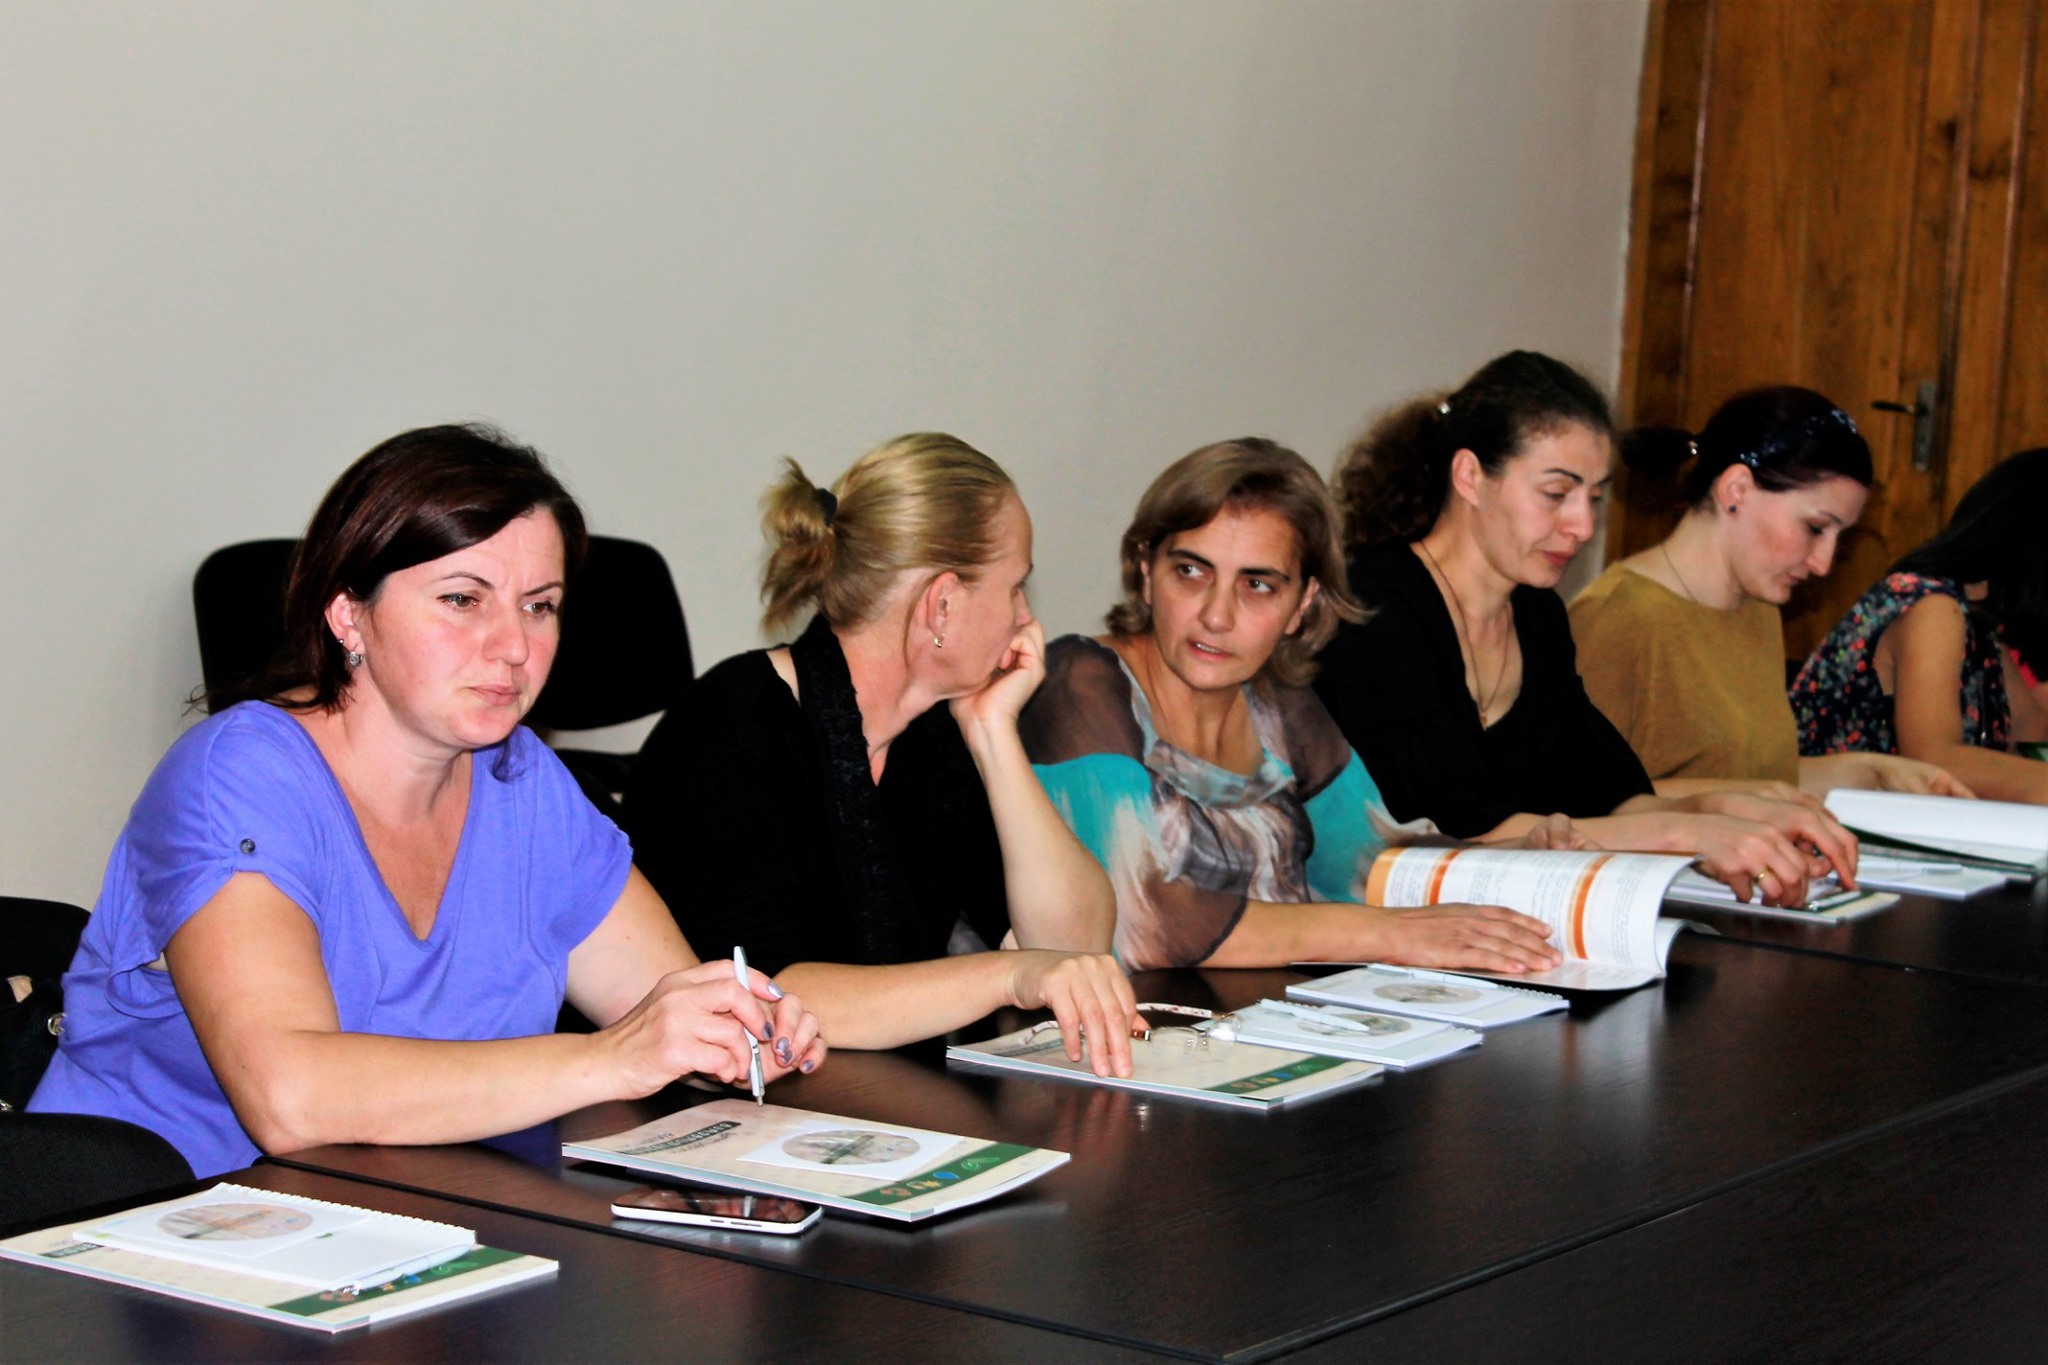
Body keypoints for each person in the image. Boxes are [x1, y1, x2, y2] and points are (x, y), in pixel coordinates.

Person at [30, 425, 824, 1180]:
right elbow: (291, 1097)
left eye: (540, 605)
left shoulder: (521, 780)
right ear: (348, 613)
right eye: (462, 599)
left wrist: (738, 1032)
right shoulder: (236, 777)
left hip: (412, 1219)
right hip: (159, 1226)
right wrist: (612, 1056)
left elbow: (659, 1009)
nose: (513, 646)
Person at [626, 434, 1141, 1075]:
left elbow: (1073, 947)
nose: (1024, 618)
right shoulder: (734, 723)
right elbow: (772, 992)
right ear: (942, 604)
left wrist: (993, 734)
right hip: (695, 1111)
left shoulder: (934, 735)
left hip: (859, 1097)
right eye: (1015, 588)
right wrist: (1009, 977)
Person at [1319, 351, 1857, 906]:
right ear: (1470, 477)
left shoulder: (1536, 614)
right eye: (1556, 494)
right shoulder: (1373, 605)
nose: (1582, 525)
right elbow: (1453, 829)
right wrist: (1689, 832)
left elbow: (1607, 791)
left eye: (1595, 497)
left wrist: (1728, 810)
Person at [1018, 437, 1566, 975]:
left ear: (1303, 604)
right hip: (1136, 1026)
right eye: (1190, 571)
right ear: (1145, 571)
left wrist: (1520, 861)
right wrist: (1385, 934)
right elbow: (1141, 918)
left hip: (1275, 1016)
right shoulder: (1079, 681)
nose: (1216, 615)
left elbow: (1372, 861)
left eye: (1257, 585)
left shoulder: (1278, 703)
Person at [1571, 387, 1967, 798]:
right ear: (1736, 490)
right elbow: (1575, 801)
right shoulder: (1613, 618)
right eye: (1815, 528)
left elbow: (1749, 777)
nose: (1823, 563)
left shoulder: (1758, 608)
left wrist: (1872, 772)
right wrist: (1744, 805)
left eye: (1839, 537)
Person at [1792, 448, 2048, 804]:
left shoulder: (1980, 623)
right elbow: (1934, 762)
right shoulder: (1929, 604)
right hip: (1817, 824)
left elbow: (2032, 739)